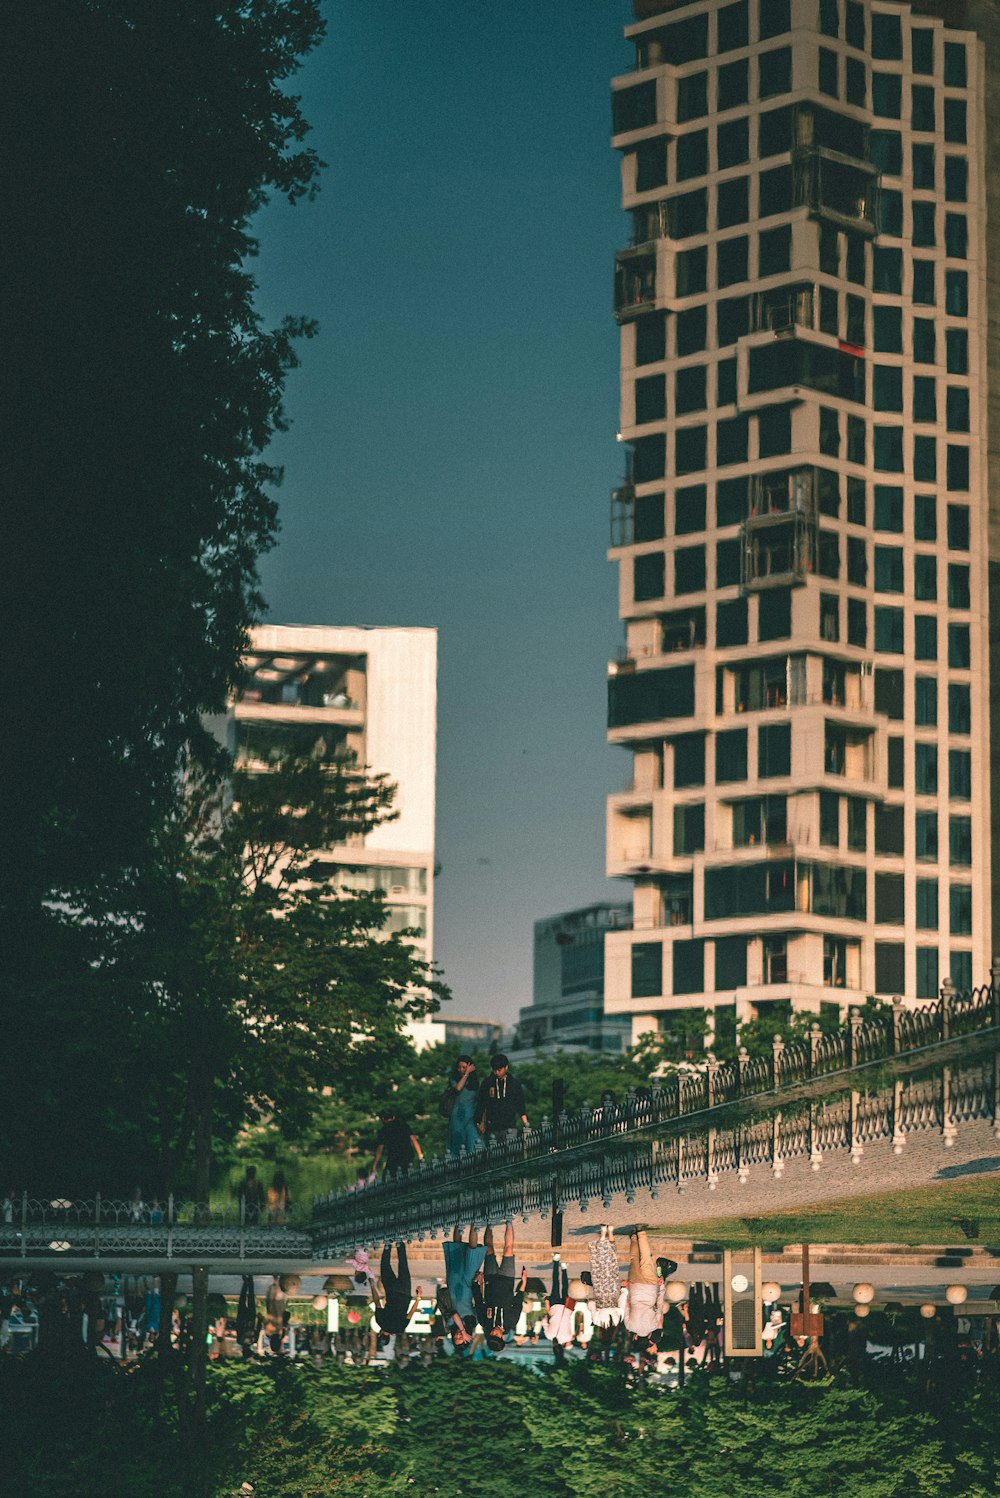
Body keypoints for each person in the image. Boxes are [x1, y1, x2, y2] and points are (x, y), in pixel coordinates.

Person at [472, 1223, 527, 1354]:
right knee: (508, 1250)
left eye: (491, 1335)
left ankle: (489, 1224)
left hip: (490, 1279)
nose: (493, 1333)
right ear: (502, 1337)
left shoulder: (484, 1322)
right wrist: (524, 1281)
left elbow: (479, 1300)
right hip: (507, 1280)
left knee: (489, 1250)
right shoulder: (511, 1322)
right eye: (496, 1336)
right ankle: (509, 1222)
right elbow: (518, 1301)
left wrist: (477, 1282)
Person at [369, 1242, 420, 1355]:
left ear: (390, 1337)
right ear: (379, 1334)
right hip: (391, 1290)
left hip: (405, 1291)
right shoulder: (380, 1322)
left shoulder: (400, 1328)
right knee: (385, 1265)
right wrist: (372, 1285)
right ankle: (388, 1242)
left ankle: (400, 1242)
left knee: (403, 1264)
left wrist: (419, 1297)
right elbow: (377, 1301)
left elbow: (411, 1312)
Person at [440, 1224, 486, 1344]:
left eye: (456, 1338)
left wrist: (462, 1330)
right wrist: (480, 1283)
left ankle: (459, 1220)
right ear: (467, 1338)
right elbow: (479, 1301)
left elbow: (454, 1314)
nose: (458, 1335)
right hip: (470, 1284)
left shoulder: (449, 1325)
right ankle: (474, 1222)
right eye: (461, 1338)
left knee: (457, 1247)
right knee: (473, 1251)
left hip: (454, 1284)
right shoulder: (473, 1322)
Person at [474, 1054, 529, 1141]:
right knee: (493, 1152)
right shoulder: (487, 1083)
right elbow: (481, 1104)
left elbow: (520, 1105)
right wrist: (480, 1122)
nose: (497, 1073)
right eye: (495, 1070)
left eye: (499, 1070)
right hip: (492, 1126)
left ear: (506, 1067)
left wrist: (526, 1123)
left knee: (510, 1152)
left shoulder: (514, 1084)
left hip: (509, 1126)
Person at [623, 1228, 664, 1343]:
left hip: (650, 1289)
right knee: (634, 1259)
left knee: (646, 1259)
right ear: (636, 1337)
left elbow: (660, 1306)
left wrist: (661, 1288)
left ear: (649, 1337)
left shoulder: (654, 1326)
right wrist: (624, 1289)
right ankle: (633, 1238)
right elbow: (625, 1307)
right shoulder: (629, 1326)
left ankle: (641, 1234)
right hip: (635, 1289)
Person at [589, 1224, 627, 1328]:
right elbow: (591, 1304)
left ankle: (610, 1231)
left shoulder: (618, 1319)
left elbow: (622, 1302)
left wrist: (624, 1289)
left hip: (613, 1288)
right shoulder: (597, 1321)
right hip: (599, 1289)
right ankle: (602, 1234)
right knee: (598, 1264)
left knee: (612, 1261)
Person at [445, 1056, 482, 1159]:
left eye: (464, 1067)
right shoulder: (454, 1080)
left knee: (474, 1146)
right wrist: (466, 1074)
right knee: (457, 1149)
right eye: (459, 1067)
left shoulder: (475, 1083)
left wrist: (481, 1121)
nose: (461, 1069)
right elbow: (458, 1088)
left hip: (470, 1118)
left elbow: (480, 1102)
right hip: (457, 1118)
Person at [372, 1108, 423, 1178]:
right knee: (407, 1176)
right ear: (393, 1117)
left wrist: (375, 1164)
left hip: (394, 1157)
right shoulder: (404, 1125)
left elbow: (380, 1149)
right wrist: (420, 1155)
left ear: (383, 1119)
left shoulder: (384, 1130)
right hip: (408, 1154)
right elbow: (414, 1140)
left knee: (388, 1178)